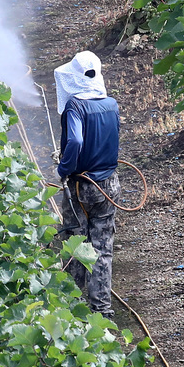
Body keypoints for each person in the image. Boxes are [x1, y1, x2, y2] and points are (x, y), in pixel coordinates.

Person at [54, 50, 120, 317]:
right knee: (103, 249)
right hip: (109, 184)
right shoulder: (111, 104)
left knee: (76, 244)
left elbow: (77, 141)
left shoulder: (75, 106)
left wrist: (64, 168)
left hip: (82, 186)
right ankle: (102, 311)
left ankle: (70, 307)